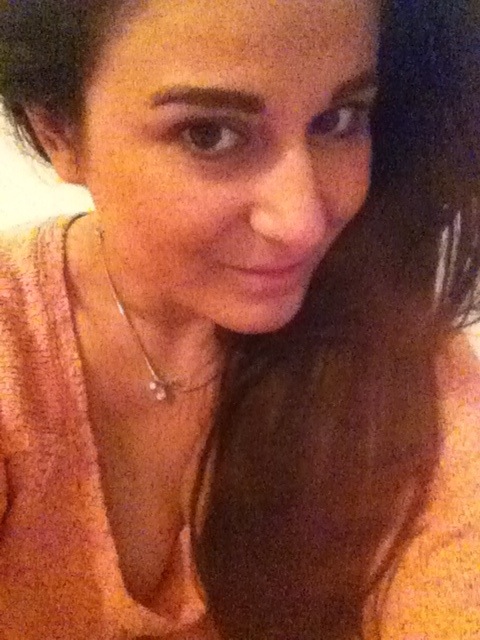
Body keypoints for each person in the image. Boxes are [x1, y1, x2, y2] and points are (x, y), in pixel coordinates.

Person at [0, 0, 479, 638]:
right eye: (209, 134)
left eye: (338, 120)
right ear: (59, 133)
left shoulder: (404, 357)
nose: (302, 222)